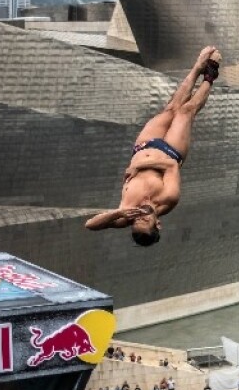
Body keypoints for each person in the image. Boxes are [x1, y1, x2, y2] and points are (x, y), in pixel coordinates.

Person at [86, 45, 221, 245]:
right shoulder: (168, 199)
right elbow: (171, 167)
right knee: (185, 111)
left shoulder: (125, 214)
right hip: (171, 152)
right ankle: (210, 76)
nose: (140, 215)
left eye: (136, 221)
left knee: (171, 108)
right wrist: (138, 167)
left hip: (144, 146)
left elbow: (90, 225)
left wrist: (118, 213)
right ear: (158, 224)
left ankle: (197, 67)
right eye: (145, 220)